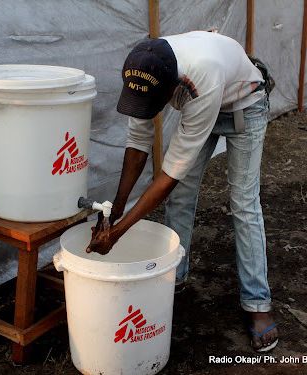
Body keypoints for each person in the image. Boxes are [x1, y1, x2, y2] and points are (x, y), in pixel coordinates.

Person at [86, 31, 278, 352]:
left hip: (244, 102)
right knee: (182, 196)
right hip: (203, 100)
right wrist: (116, 207)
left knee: (243, 203)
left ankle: (258, 303)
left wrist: (117, 232)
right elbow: (137, 144)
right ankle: (174, 276)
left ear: (171, 90)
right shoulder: (143, 70)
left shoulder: (199, 78)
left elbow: (168, 176)